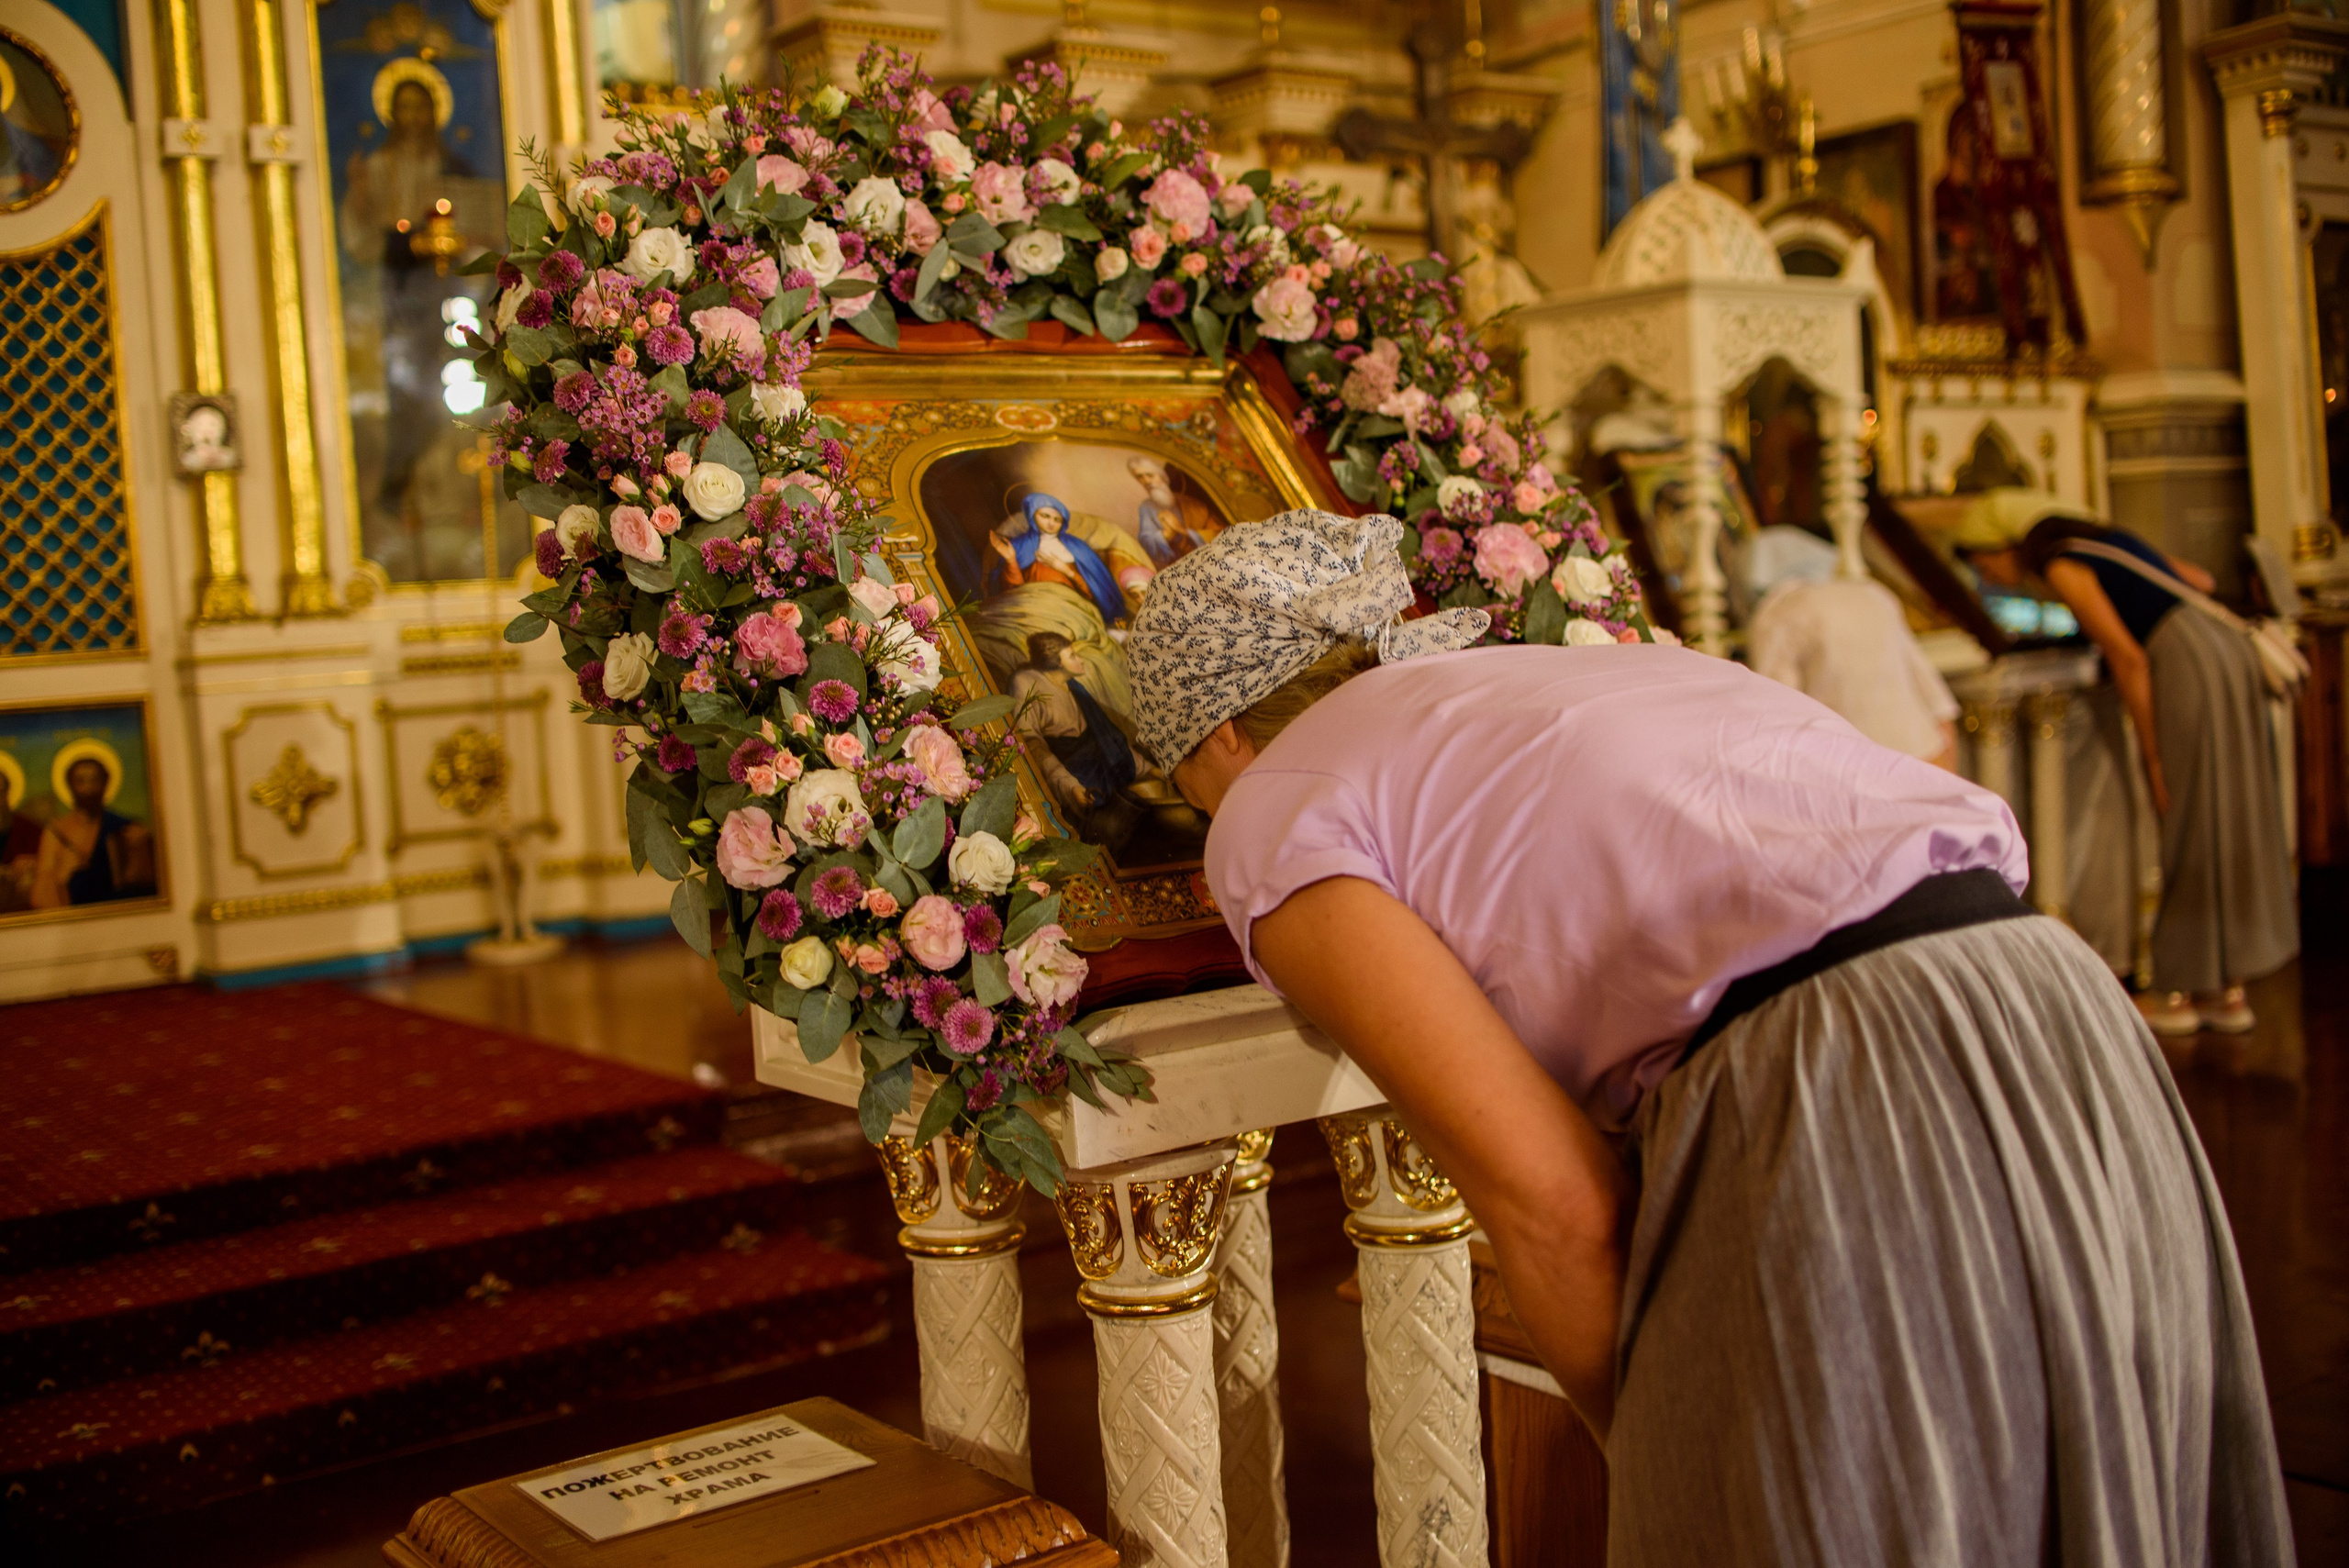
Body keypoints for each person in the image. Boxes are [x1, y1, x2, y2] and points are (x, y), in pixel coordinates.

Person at [1124, 508, 2292, 1568]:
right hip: (2063, 1012)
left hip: (1845, 1078)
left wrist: (1660, 1461)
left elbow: (1558, 1209)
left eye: (1180, 782)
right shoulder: (1571, 673)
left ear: (1222, 730)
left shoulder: (1272, 806)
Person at [1954, 488, 2298, 1035]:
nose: (1985, 578)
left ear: (2002, 546)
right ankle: (2229, 990)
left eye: (1979, 562)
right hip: (2225, 656)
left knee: (2186, 819)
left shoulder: (2062, 562)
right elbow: (2200, 581)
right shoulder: (2104, 539)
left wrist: (2154, 757)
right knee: (2229, 812)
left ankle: (2179, 992)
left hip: (2186, 663)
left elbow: (2127, 655)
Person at [1743, 525, 1960, 768]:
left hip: (1850, 766)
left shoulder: (1776, 614)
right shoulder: (1872, 593)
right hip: (1924, 756)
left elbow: (1779, 710)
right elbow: (1936, 699)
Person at [985, 492, 1146, 625]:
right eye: (1045, 516)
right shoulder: (1018, 546)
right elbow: (1012, 591)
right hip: (1035, 606)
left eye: (1057, 519)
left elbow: (1092, 593)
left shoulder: (1077, 547)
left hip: (1073, 607)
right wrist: (1012, 561)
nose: (1051, 523)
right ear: (1033, 515)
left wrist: (1066, 571)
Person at [30, 757, 155, 907]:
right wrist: (62, 875)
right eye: (81, 781)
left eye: (95, 780)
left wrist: (137, 852)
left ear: (105, 784)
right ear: (71, 785)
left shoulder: (123, 827)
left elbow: (143, 887)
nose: (89, 788)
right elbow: (41, 895)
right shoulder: (56, 831)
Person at [1129, 456, 1217, 567]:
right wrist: (1166, 535)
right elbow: (1146, 540)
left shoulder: (1192, 503)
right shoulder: (1146, 508)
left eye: (1150, 475)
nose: (1146, 481)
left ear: (1162, 476)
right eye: (1140, 477)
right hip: (1177, 566)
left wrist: (1182, 530)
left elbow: (1219, 532)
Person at [0, 768, 45, 913]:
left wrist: (34, 863)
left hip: (23, 914)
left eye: (0, 792)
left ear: (7, 793)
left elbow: (48, 863)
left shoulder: (28, 828)